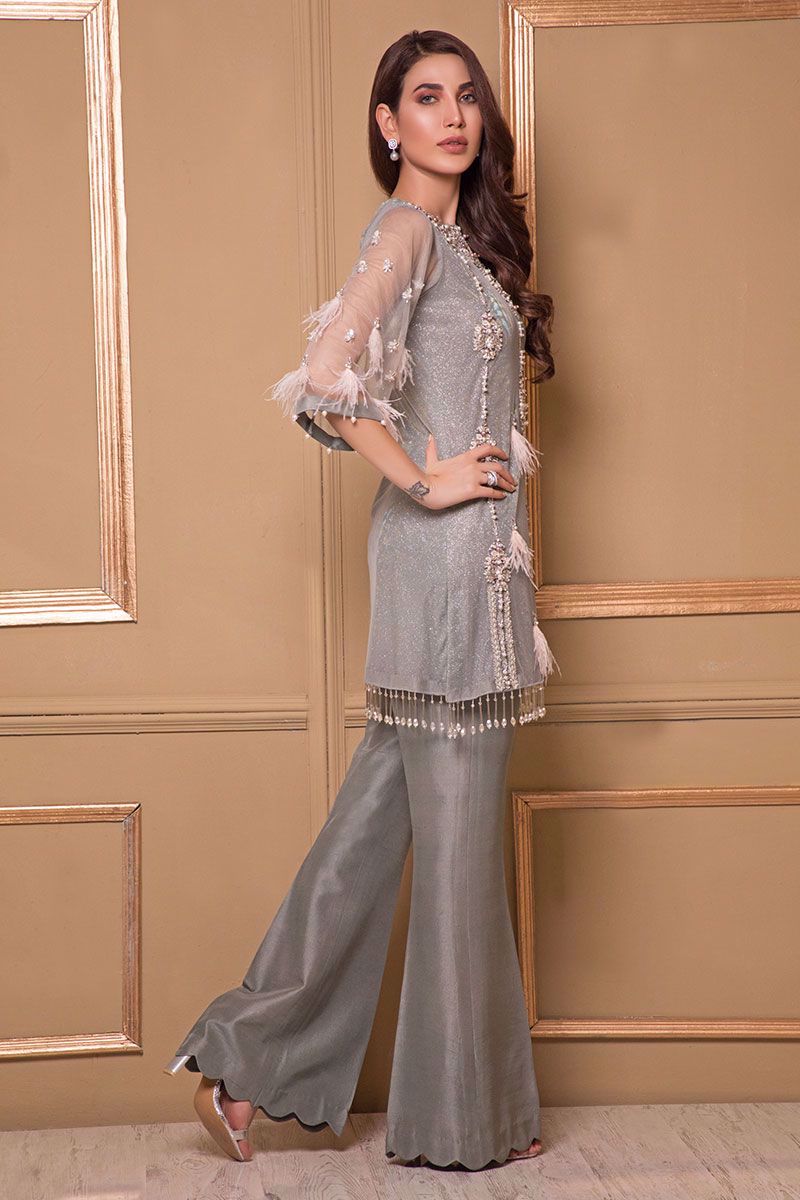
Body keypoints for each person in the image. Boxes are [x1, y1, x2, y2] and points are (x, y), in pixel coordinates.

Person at [163, 28, 558, 1171]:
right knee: (457, 853)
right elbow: (326, 380)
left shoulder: (456, 243)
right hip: (443, 571)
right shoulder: (403, 231)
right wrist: (425, 481)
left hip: (473, 573)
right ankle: (462, 1122)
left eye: (466, 96)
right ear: (387, 124)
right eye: (425, 98)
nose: (453, 115)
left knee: (376, 827)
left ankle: (244, 1068)